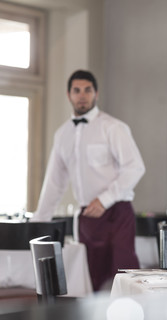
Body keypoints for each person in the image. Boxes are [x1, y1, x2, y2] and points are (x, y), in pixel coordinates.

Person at [32, 70, 146, 290]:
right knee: (92, 284)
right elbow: (54, 183)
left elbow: (135, 167)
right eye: (77, 90)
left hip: (117, 214)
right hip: (87, 219)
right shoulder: (62, 134)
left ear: (96, 94)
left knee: (124, 282)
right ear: (69, 95)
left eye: (87, 90)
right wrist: (38, 224)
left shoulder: (113, 127)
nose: (82, 95)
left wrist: (105, 199)